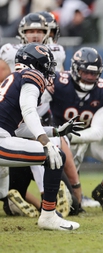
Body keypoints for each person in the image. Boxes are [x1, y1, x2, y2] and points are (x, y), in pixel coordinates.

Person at [41, 47, 103, 213]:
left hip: (87, 133)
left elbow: (97, 132)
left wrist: (69, 137)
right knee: (69, 171)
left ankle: (102, 191)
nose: (90, 77)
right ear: (75, 69)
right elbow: (40, 109)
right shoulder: (57, 82)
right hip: (59, 135)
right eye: (85, 72)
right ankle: (70, 200)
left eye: (94, 73)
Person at [0, 42, 80, 230]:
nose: (50, 71)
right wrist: (46, 142)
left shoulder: (13, 78)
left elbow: (17, 130)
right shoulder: (32, 75)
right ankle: (48, 216)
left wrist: (55, 132)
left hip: (4, 136)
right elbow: (28, 110)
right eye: (47, 65)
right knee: (55, 156)